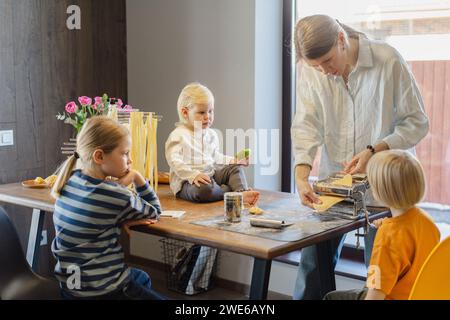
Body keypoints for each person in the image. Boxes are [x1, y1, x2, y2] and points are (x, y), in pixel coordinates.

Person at [291, 14, 429, 299]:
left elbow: (417, 122)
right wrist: (301, 176)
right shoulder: (314, 72)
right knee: (311, 269)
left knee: (380, 279)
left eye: (327, 61)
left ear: (342, 39)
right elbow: (306, 126)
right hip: (334, 188)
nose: (324, 71)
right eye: (315, 66)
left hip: (384, 190)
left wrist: (374, 149)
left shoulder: (387, 60)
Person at [51, 116, 166, 300]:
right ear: (99, 156)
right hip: (104, 292)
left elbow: (94, 218)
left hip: (70, 290)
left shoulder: (69, 182)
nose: (129, 160)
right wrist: (136, 177)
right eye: (125, 153)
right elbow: (156, 211)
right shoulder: (114, 194)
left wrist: (119, 220)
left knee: (141, 278)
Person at [324, 150, 440, 300]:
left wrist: (388, 230)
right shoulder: (427, 222)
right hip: (418, 295)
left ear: (379, 192)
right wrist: (390, 226)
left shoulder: (386, 238)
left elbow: (374, 295)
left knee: (330, 297)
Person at [165, 82, 259, 205]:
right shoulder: (178, 135)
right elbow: (175, 162)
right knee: (204, 190)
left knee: (235, 169)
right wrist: (193, 175)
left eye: (210, 111)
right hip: (187, 182)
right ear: (185, 113)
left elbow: (215, 156)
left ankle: (241, 192)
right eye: (202, 112)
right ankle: (230, 193)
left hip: (211, 175)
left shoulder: (211, 134)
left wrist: (232, 160)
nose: (207, 117)